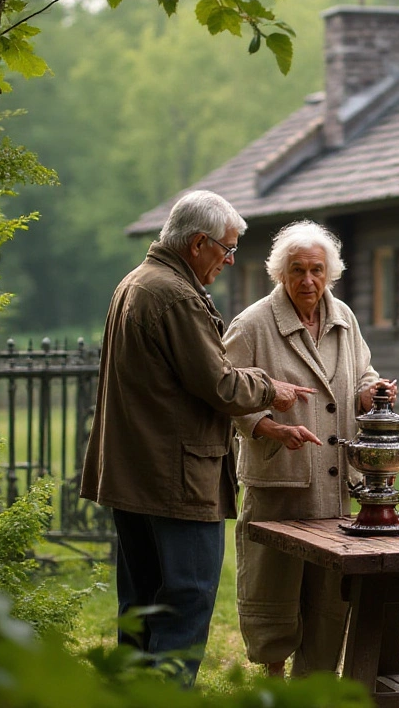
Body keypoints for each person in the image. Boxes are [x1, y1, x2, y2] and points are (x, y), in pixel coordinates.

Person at [80, 190, 313, 686]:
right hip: (175, 479)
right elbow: (220, 384)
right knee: (185, 604)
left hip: (134, 476)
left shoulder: (136, 282)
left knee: (141, 607)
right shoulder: (176, 295)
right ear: (198, 243)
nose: (229, 261)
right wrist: (273, 388)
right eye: (226, 249)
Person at [224, 219, 396, 678]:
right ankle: (275, 686)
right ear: (281, 273)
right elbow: (223, 393)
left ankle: (313, 689)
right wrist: (268, 427)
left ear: (330, 273)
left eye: (317, 270)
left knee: (328, 599)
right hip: (280, 486)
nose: (308, 280)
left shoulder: (343, 318)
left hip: (337, 487)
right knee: (273, 593)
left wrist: (370, 391)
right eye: (297, 270)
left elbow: (361, 372)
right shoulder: (254, 324)